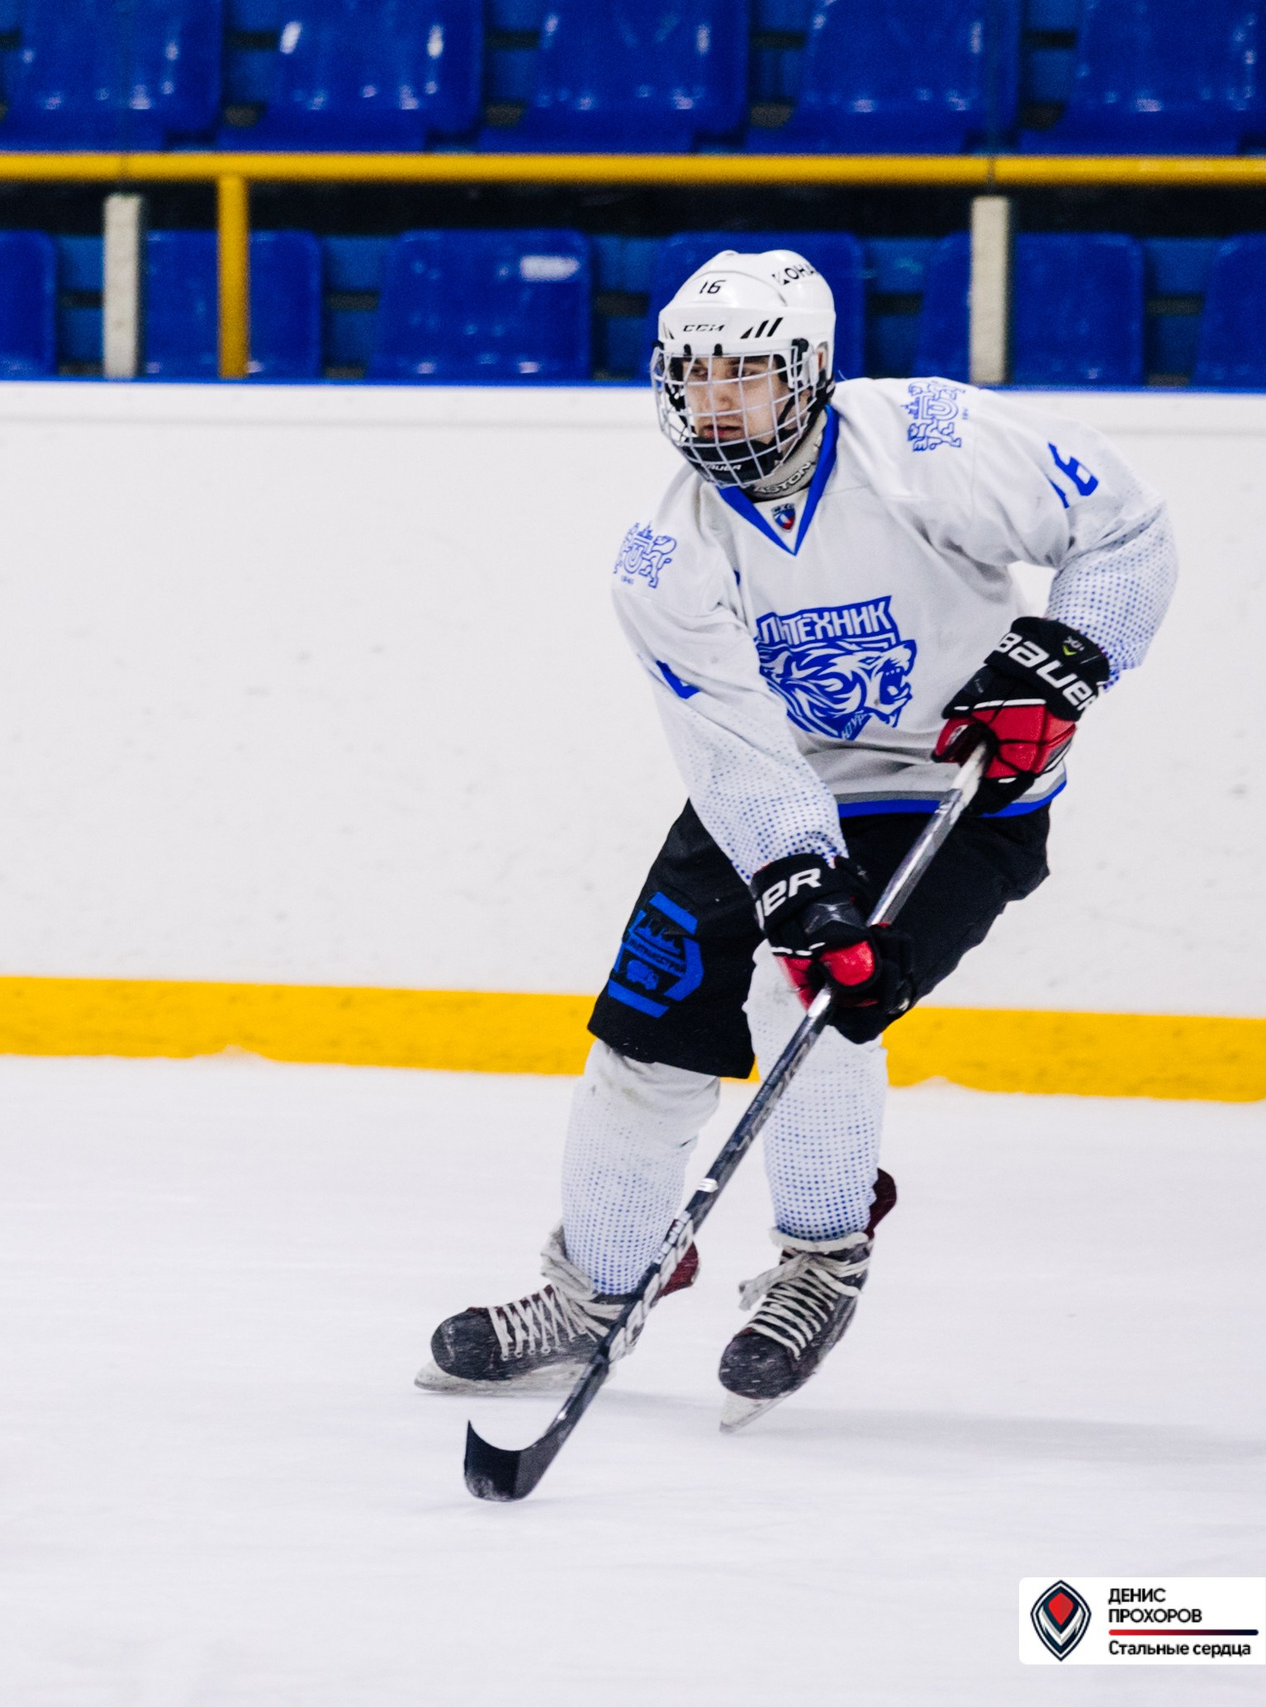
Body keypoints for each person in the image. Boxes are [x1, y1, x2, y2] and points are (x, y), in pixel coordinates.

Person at [418, 250, 1176, 1427]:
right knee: (643, 1032)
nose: (715, 401)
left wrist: (1067, 661)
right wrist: (794, 874)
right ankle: (591, 1294)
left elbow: (1123, 534)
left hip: (955, 789)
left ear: (811, 374)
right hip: (777, 790)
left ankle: (819, 1261)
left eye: (747, 375)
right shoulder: (661, 557)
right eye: (694, 375)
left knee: (809, 993)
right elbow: (732, 749)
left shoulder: (928, 440)